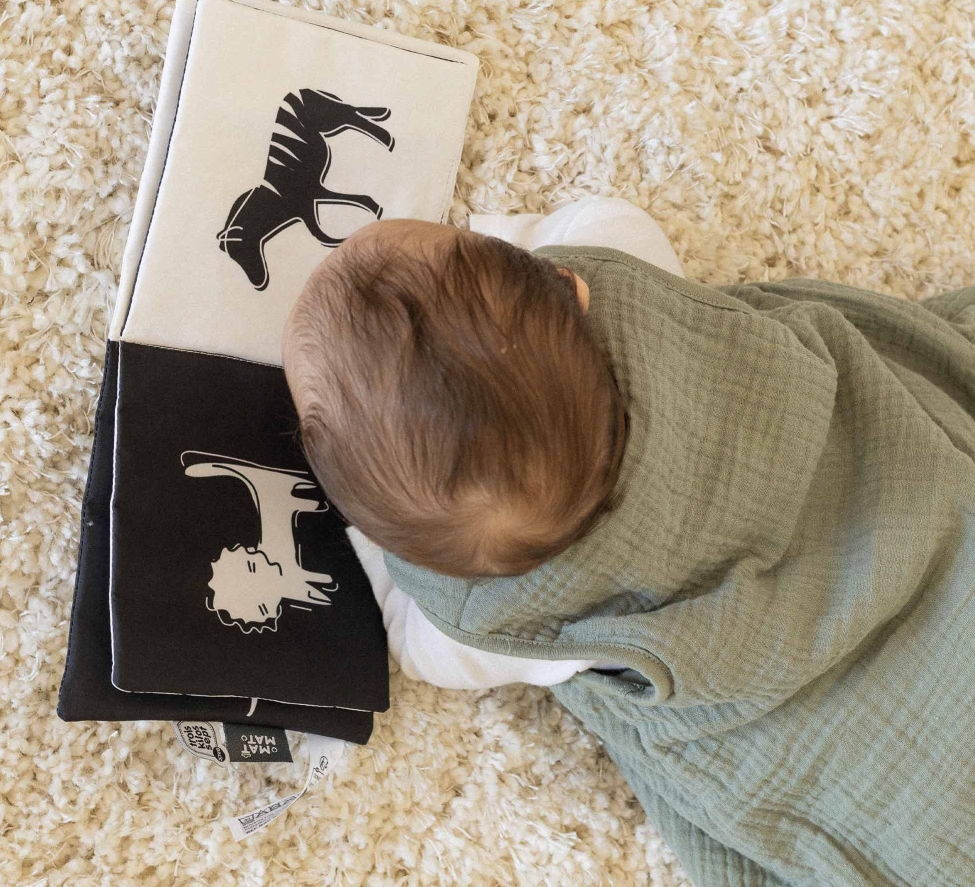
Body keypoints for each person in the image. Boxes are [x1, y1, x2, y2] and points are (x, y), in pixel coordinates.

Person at [282, 196, 975, 887]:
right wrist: (497, 250)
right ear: (565, 286)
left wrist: (373, 547)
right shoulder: (621, 277)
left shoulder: (482, 626)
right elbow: (599, 218)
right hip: (896, 517)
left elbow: (412, 638)